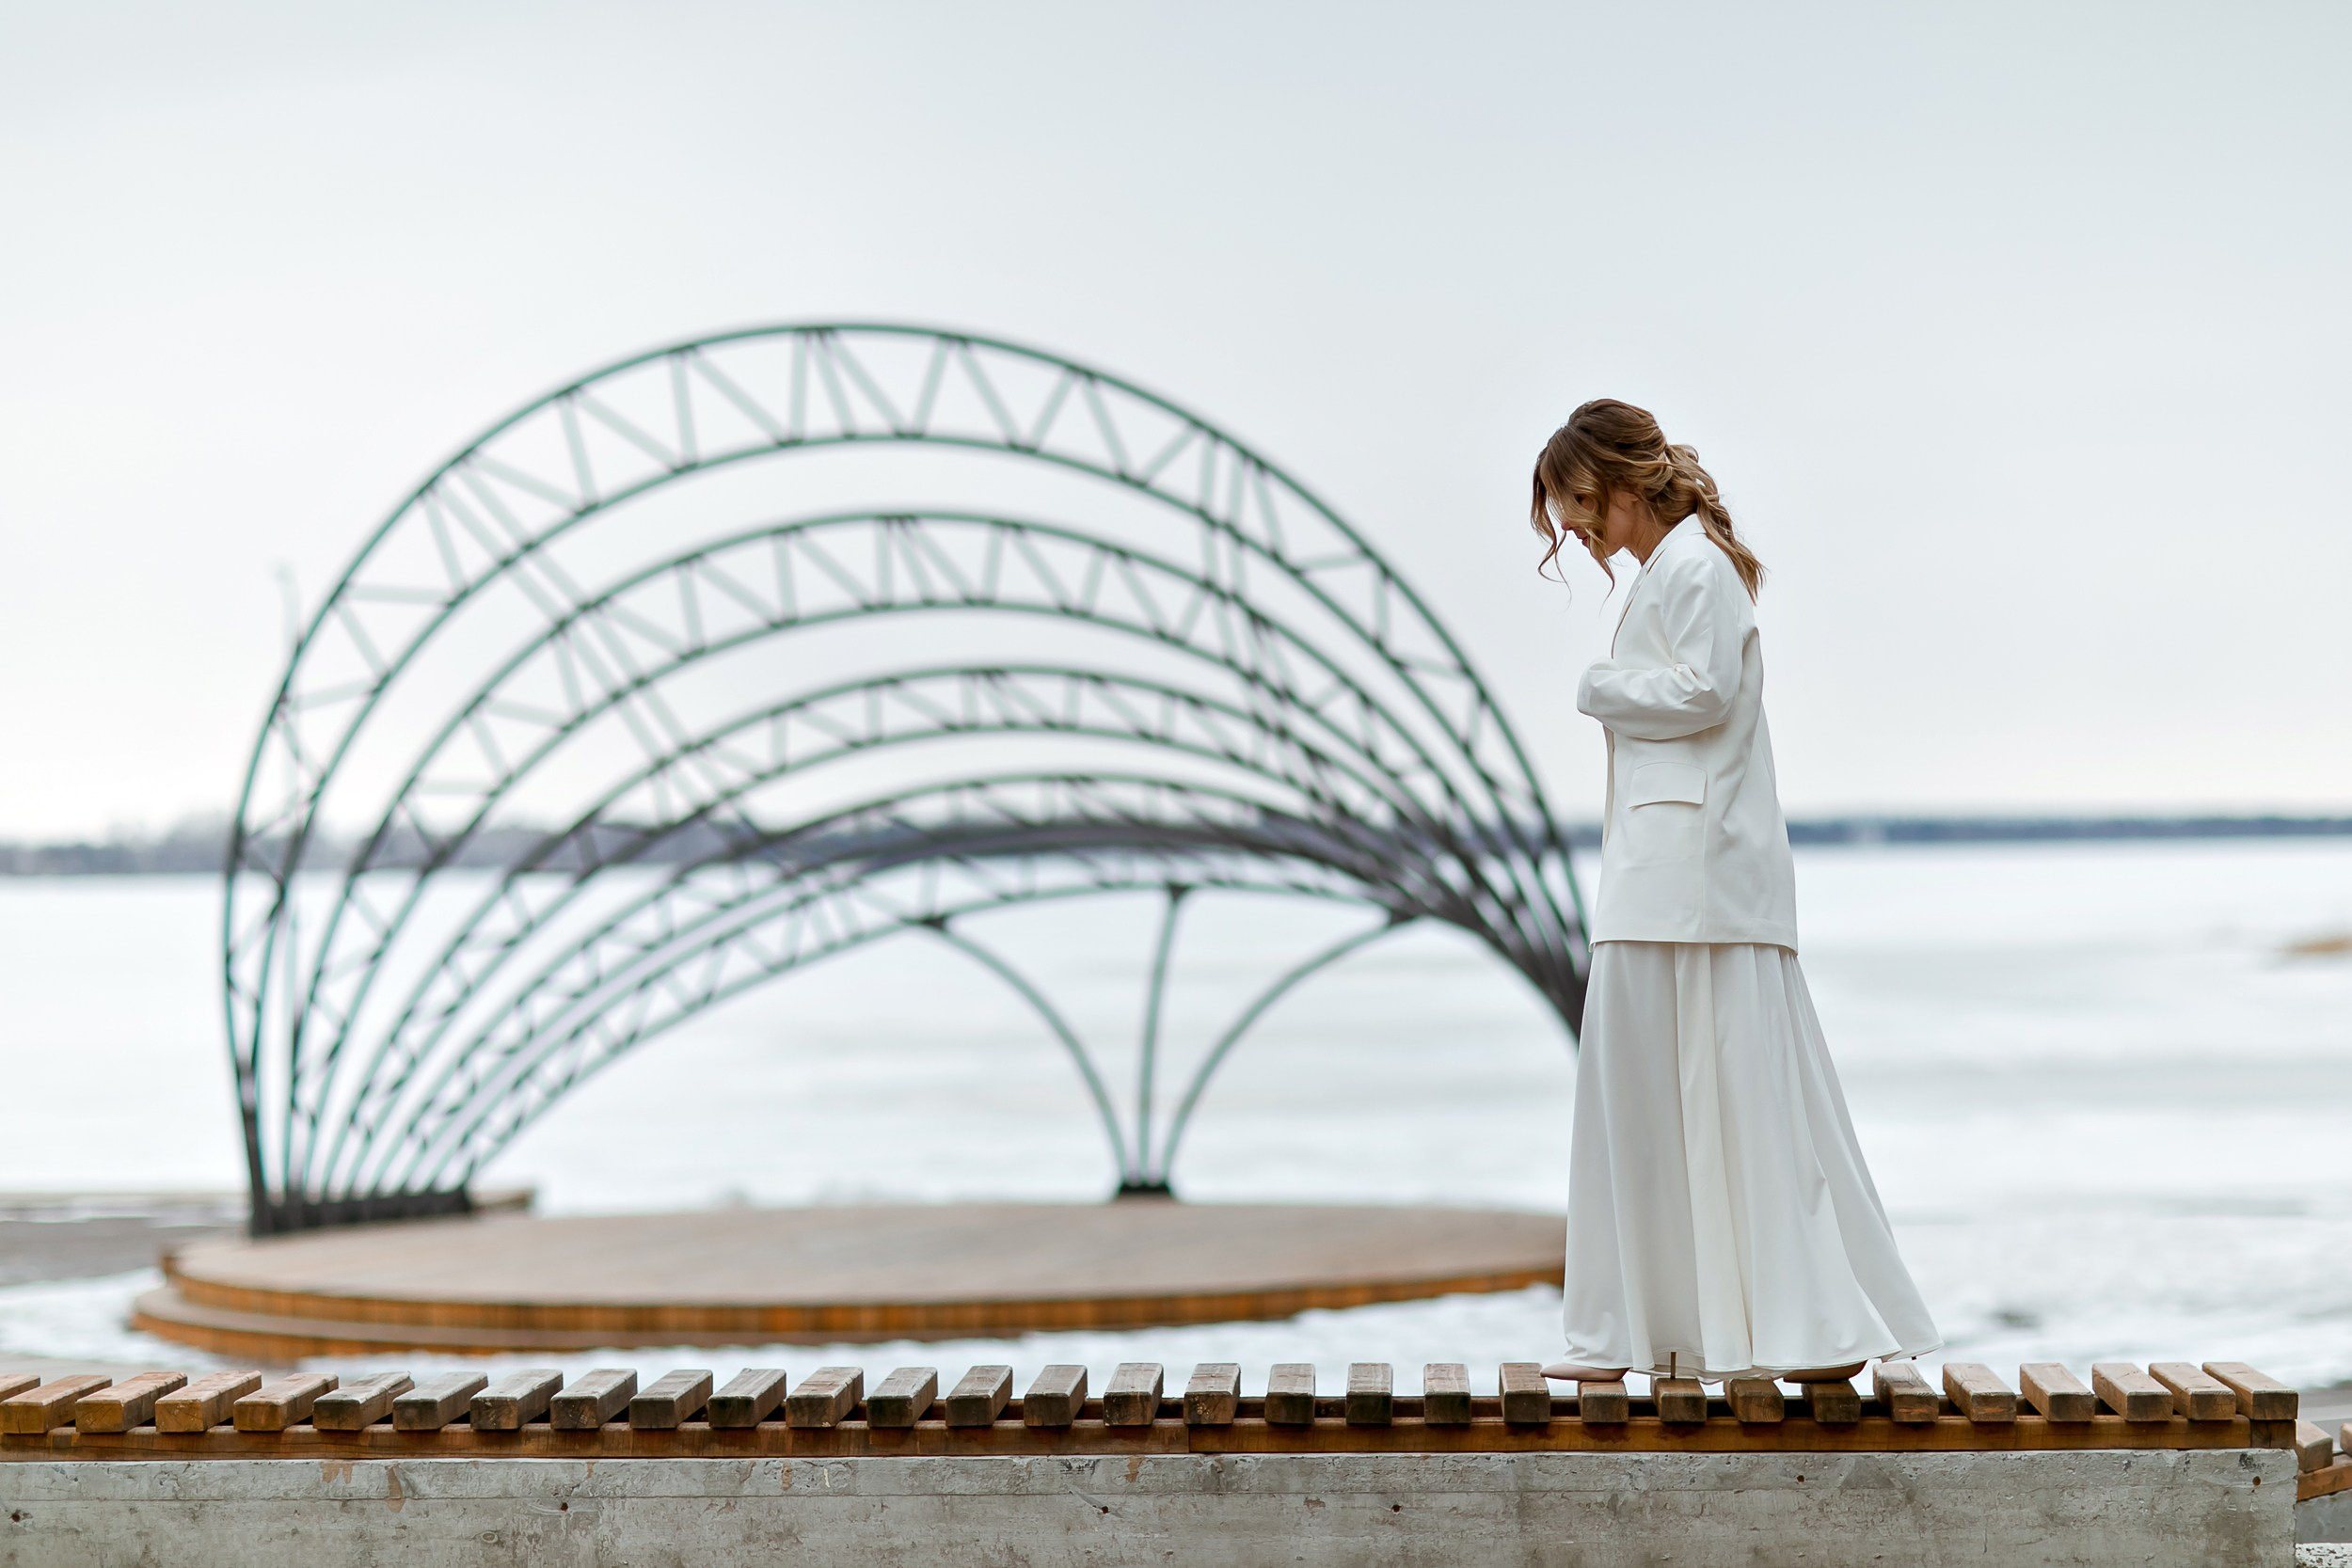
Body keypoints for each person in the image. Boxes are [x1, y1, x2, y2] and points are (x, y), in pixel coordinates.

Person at [1529, 399, 1939, 1387]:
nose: (1574, 528)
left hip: (1695, 875)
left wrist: (1597, 686)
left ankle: (1800, 1326)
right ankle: (1662, 1330)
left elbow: (1704, 690)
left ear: (1623, 484)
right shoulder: (1680, 570)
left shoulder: (1698, 570)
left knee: (1729, 1099)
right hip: (1667, 872)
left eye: (1578, 503)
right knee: (1653, 1099)